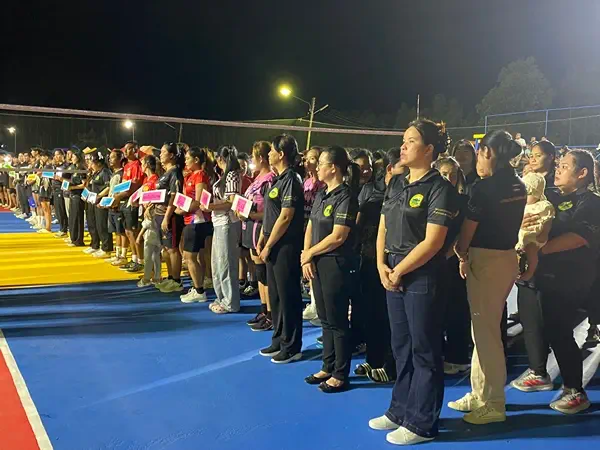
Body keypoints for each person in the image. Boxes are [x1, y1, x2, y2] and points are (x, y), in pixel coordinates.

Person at [369, 119, 457, 446]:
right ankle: (400, 410)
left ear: (429, 149)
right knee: (401, 346)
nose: (403, 146)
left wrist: (399, 270)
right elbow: (383, 227)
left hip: (421, 275)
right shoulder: (396, 183)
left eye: (411, 141)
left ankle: (422, 422)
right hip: (392, 269)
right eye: (403, 140)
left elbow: (433, 242)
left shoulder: (440, 188)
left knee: (424, 349)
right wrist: (381, 264)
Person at [512, 149, 600, 414]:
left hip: (569, 278)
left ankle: (575, 391)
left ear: (582, 173)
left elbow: (578, 237)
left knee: (559, 331)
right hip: (541, 275)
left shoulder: (591, 203)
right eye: (558, 165)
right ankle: (540, 373)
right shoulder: (550, 196)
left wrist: (537, 249)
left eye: (564, 166)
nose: (558, 170)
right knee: (536, 325)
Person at [448, 130, 526, 425]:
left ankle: (493, 402)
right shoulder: (518, 184)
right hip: (505, 259)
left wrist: (460, 254)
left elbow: (466, 234)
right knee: (483, 330)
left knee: (487, 335)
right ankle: (479, 392)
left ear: (487, 153)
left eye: (479, 153)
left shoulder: (484, 188)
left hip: (485, 261)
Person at [302, 146, 359, 392]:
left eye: (321, 163)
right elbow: (311, 226)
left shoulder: (346, 197)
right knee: (324, 318)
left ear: (333, 168)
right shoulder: (321, 194)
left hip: (335, 263)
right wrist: (307, 256)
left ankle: (340, 373)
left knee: (337, 319)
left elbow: (338, 236)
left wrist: (311, 253)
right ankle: (328, 365)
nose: (316, 168)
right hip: (316, 262)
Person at [257, 134, 305, 364]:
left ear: (281, 153)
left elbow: (286, 216)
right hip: (272, 244)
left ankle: (292, 345)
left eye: (271, 151)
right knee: (275, 296)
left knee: (288, 296)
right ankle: (278, 338)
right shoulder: (277, 179)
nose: (268, 154)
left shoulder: (292, 180)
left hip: (285, 246)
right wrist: (262, 238)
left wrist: (269, 244)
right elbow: (271, 213)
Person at [433, 156, 472, 375]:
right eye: (444, 174)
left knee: (457, 311)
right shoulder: (431, 199)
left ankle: (458, 357)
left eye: (453, 174)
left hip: (455, 262)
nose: (449, 178)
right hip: (431, 262)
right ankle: (437, 353)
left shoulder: (464, 202)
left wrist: (450, 254)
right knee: (435, 312)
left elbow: (464, 233)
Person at [200, 145, 242, 313]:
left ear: (220, 158)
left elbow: (232, 202)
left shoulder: (232, 175)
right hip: (218, 222)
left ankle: (230, 302)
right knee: (217, 263)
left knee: (226, 263)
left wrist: (211, 206)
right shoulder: (223, 175)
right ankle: (222, 298)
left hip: (227, 222)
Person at [242, 141, 277, 331]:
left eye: (253, 156)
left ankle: (271, 314)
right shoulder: (257, 178)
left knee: (265, 273)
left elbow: (270, 212)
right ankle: (264, 310)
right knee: (259, 273)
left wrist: (251, 214)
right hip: (250, 226)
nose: (251, 160)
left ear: (261, 158)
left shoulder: (269, 180)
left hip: (260, 229)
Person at [179, 147, 213, 303]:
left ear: (196, 160)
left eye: (188, 158)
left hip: (196, 220)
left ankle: (199, 291)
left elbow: (198, 202)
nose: (185, 161)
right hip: (191, 220)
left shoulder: (200, 175)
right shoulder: (191, 175)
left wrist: (181, 210)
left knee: (189, 257)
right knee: (195, 257)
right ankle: (198, 286)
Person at [154, 143, 185, 293]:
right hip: (159, 214)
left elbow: (174, 196)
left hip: (170, 216)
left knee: (172, 248)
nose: (160, 155)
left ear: (171, 155)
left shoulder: (175, 173)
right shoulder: (166, 172)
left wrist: (167, 217)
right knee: (165, 248)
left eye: (163, 152)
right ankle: (170, 277)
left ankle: (177, 281)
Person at [515, 172, 555, 282]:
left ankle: (530, 271)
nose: (524, 197)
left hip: (534, 236)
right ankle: (517, 270)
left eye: (529, 194)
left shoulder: (543, 206)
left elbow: (548, 220)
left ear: (537, 194)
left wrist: (544, 232)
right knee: (517, 253)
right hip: (520, 234)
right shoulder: (520, 205)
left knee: (531, 251)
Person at [301, 146, 326, 322]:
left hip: (319, 228)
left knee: (317, 268)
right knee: (308, 267)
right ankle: (313, 303)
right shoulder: (307, 182)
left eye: (311, 158)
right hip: (305, 227)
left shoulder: (323, 185)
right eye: (306, 159)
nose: (307, 162)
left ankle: (320, 307)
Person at [114, 141, 145, 272]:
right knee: (127, 232)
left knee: (133, 232)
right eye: (124, 150)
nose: (125, 152)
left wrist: (118, 196)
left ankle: (140, 261)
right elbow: (124, 184)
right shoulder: (127, 166)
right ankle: (133, 258)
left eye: (128, 149)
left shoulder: (137, 165)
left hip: (133, 202)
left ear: (134, 150)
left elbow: (135, 186)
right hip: (124, 201)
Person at [87, 149, 113, 258]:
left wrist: (99, 196)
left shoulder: (105, 172)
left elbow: (109, 187)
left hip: (102, 201)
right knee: (97, 224)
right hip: (95, 202)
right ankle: (98, 245)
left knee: (103, 225)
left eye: (92, 163)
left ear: (98, 163)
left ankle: (107, 249)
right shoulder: (97, 172)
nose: (91, 165)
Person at [66, 151, 87, 247]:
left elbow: (84, 184)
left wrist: (73, 187)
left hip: (78, 196)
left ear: (78, 158)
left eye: (73, 157)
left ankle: (78, 240)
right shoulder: (74, 168)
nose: (72, 158)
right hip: (72, 195)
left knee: (78, 218)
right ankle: (73, 238)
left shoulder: (81, 169)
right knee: (72, 218)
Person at [52, 149, 69, 238]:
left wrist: (60, 178)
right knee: (58, 210)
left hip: (61, 189)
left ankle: (64, 230)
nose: (56, 156)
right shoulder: (55, 166)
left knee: (62, 210)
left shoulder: (66, 166)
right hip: (55, 189)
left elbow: (67, 178)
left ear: (63, 155)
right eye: (55, 155)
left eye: (58, 154)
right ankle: (61, 228)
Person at [36, 150, 53, 234]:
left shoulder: (49, 166)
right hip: (42, 187)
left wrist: (41, 173)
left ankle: (48, 227)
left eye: (43, 156)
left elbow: (51, 175)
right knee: (44, 208)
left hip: (47, 188)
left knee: (47, 208)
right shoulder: (43, 166)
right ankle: (47, 226)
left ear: (47, 157)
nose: (42, 158)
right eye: (41, 156)